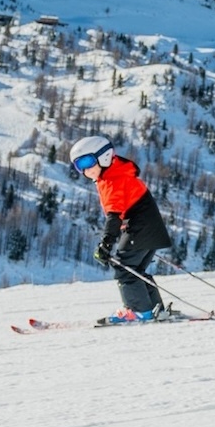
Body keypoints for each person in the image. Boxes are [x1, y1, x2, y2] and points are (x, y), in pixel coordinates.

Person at [69, 135, 176, 324]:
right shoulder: (115, 173)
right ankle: (153, 309)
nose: (85, 170)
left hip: (141, 227)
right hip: (147, 226)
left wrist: (106, 243)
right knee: (135, 269)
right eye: (79, 166)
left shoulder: (113, 179)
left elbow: (114, 215)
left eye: (87, 161)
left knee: (124, 268)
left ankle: (139, 311)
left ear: (103, 156)